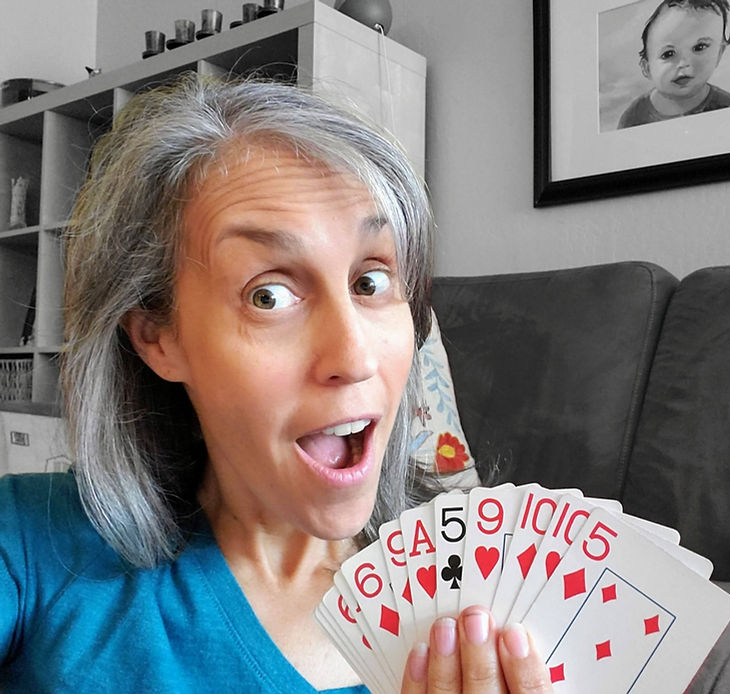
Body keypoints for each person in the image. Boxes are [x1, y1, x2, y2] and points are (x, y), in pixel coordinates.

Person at [0, 74, 552, 693]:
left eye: (370, 281)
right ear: (159, 337)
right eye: (269, 295)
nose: (354, 356)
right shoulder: (28, 541)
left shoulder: (509, 602)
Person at [618, 0, 730, 129]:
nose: (684, 64)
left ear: (719, 53)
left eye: (699, 47)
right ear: (647, 68)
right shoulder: (634, 117)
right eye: (668, 54)